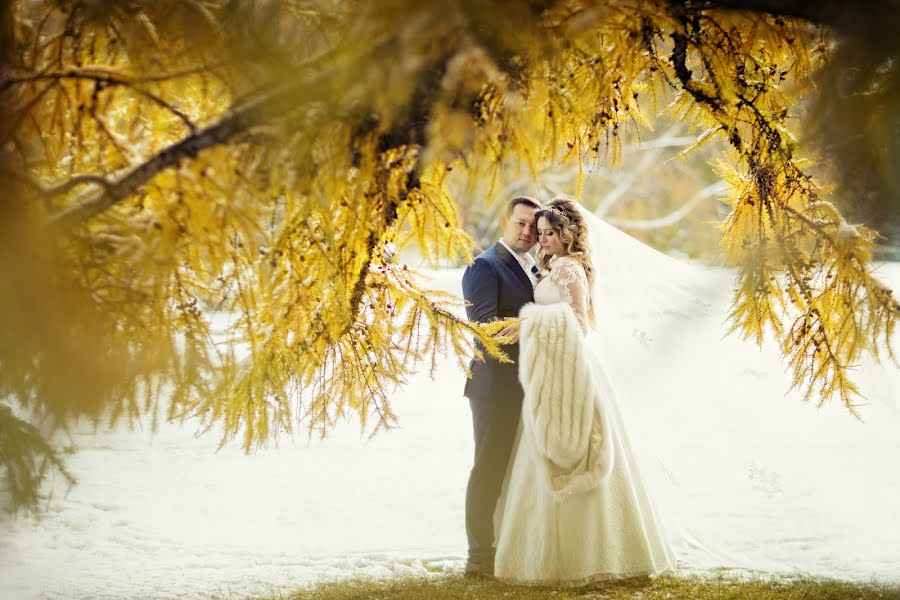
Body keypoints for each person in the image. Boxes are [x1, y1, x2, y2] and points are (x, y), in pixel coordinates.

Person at [493, 197, 675, 585]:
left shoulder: (569, 269)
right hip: (555, 369)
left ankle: (590, 556)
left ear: (566, 234)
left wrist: (528, 325)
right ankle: (555, 555)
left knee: (576, 449)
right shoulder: (555, 267)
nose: (541, 241)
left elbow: (577, 324)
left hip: (572, 370)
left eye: (548, 234)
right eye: (539, 234)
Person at [460, 195, 542, 579]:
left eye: (533, 227)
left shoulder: (534, 267)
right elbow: (485, 328)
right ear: (506, 222)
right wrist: (539, 324)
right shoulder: (484, 267)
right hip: (495, 388)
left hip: (528, 385)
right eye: (520, 223)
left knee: (517, 471)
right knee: (488, 469)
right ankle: (478, 557)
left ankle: (514, 545)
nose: (526, 232)